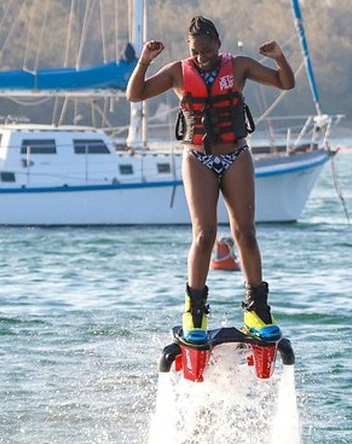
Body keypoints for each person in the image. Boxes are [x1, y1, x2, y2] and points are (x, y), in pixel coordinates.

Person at [126, 15, 293, 344]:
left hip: (236, 155)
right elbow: (136, 94)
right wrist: (144, 61)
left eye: (207, 49)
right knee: (204, 236)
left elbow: (285, 83)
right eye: (195, 51)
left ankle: (257, 308)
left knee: (245, 232)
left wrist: (278, 57)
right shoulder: (178, 72)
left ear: (218, 43)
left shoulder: (240, 66)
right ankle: (195, 310)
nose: (202, 57)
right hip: (197, 157)